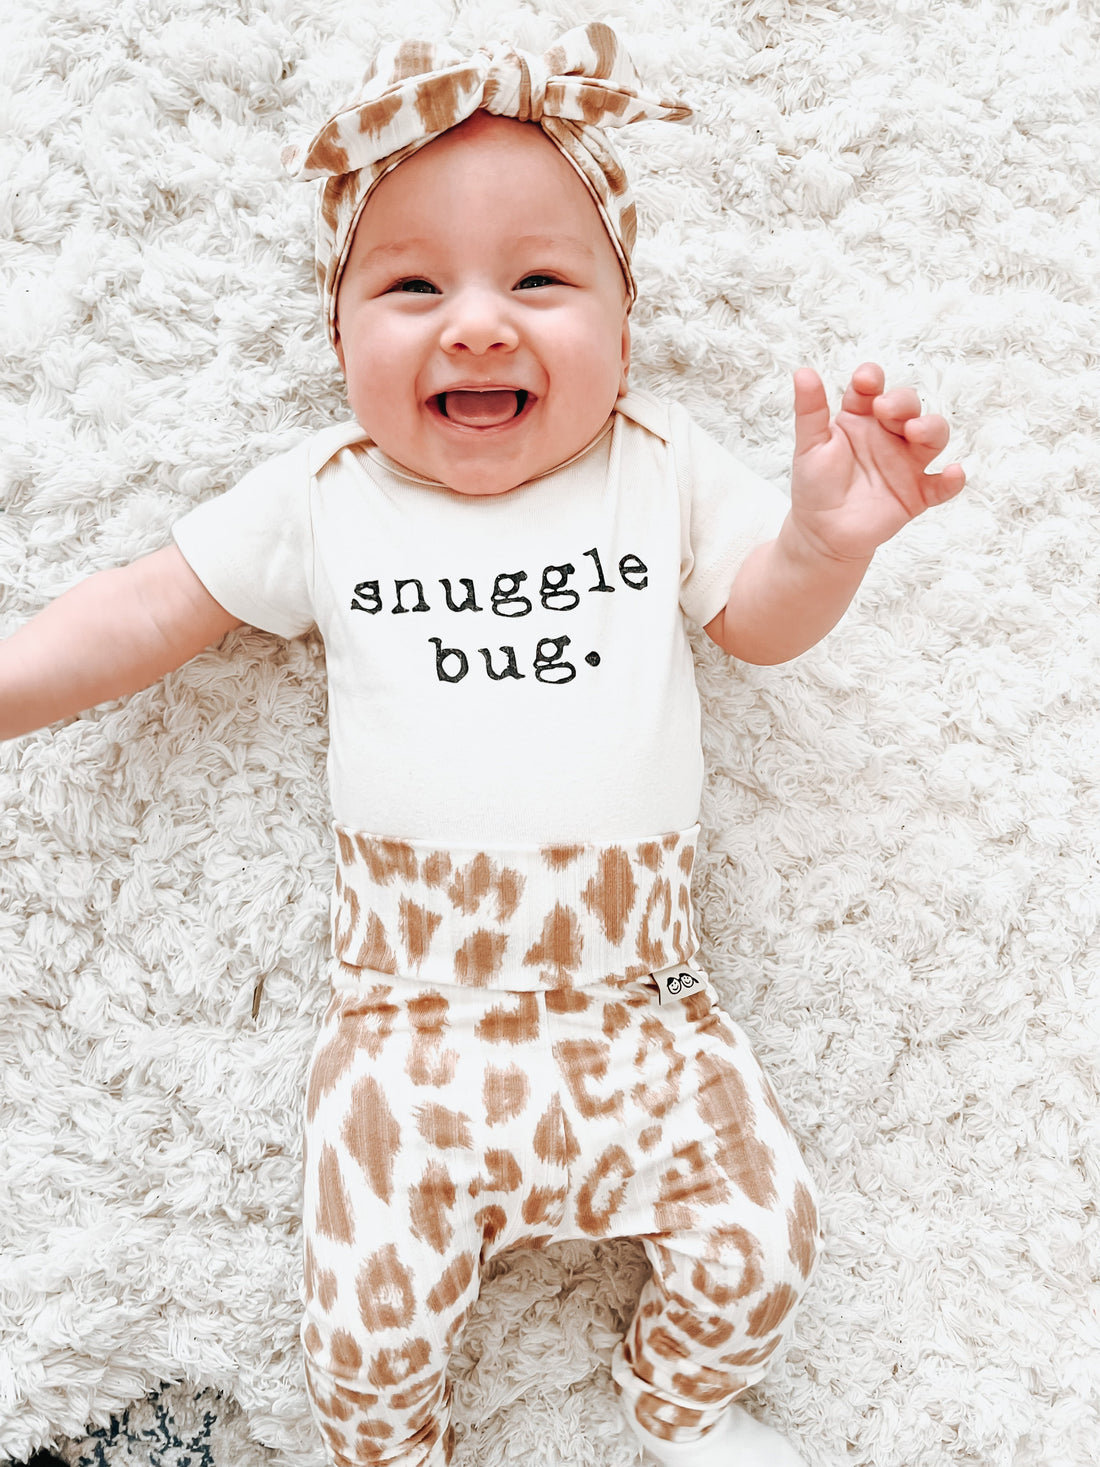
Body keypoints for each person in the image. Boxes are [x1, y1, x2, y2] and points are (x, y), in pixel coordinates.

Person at [0, 23, 965, 1467]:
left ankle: (679, 1410)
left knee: (767, 1235)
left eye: (540, 280)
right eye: (409, 287)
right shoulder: (323, 495)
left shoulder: (658, 460)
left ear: (625, 330)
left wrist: (824, 543)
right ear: (338, 345)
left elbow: (758, 622)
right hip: (409, 1027)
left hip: (640, 1007)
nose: (476, 323)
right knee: (362, 1342)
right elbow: (139, 609)